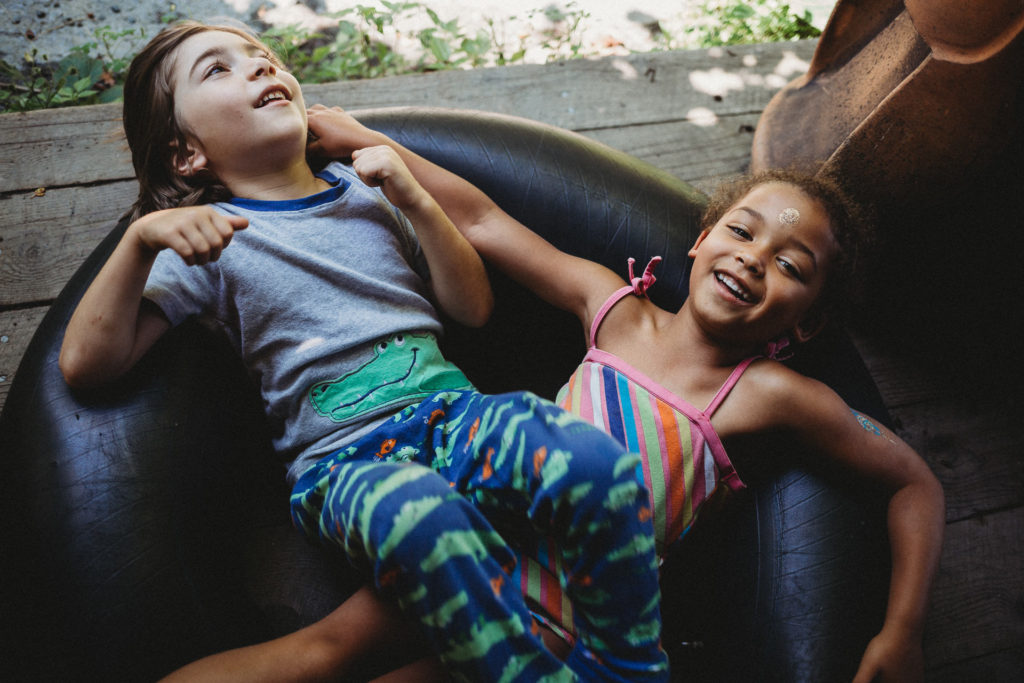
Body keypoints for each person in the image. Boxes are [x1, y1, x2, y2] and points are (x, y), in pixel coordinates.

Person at [58, 21, 671, 683]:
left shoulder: (367, 191)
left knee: (599, 464)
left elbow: (473, 307)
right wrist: (141, 240)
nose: (261, 67)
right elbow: (86, 364)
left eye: (263, 56)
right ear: (186, 154)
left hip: (456, 419)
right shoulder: (210, 241)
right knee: (428, 521)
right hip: (346, 465)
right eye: (219, 69)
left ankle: (629, 668)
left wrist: (413, 195)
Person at [269, 106, 945, 683]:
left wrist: (901, 629)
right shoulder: (614, 308)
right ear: (703, 239)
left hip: (570, 632)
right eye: (742, 230)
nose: (753, 257)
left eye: (791, 265)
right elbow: (480, 220)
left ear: (807, 321)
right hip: (474, 546)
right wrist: (366, 138)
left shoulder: (769, 393)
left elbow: (914, 483)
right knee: (320, 653)